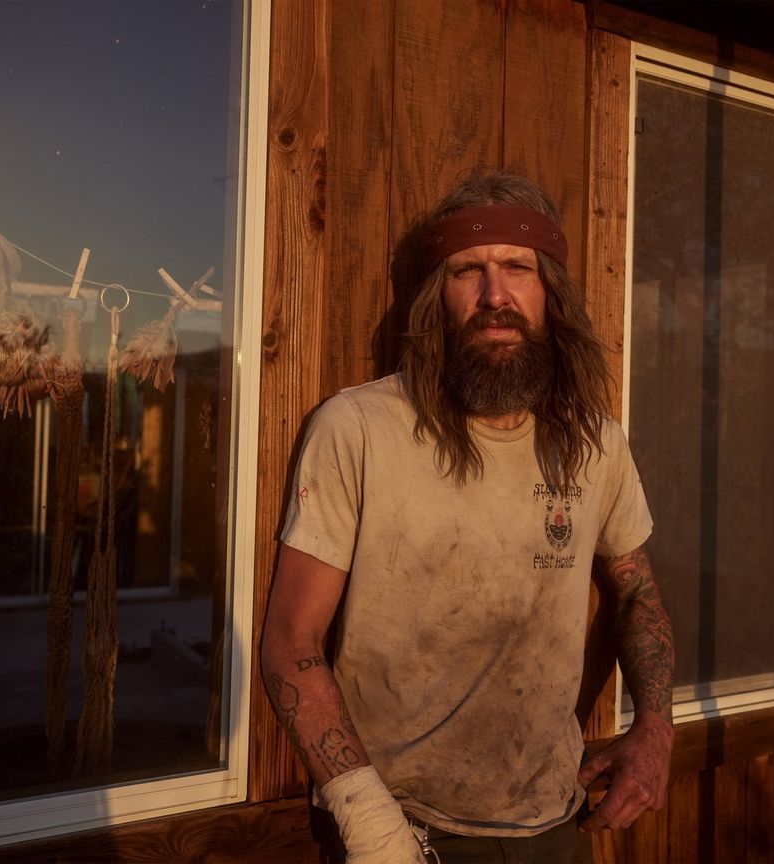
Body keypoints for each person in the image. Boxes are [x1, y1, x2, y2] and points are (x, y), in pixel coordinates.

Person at [261, 169, 674, 863]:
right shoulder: (359, 428)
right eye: (466, 272)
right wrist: (369, 824)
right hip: (402, 831)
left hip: (553, 824)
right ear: (436, 298)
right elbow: (290, 641)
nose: (494, 296)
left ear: (552, 293)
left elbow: (635, 587)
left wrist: (655, 730)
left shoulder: (595, 442)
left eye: (518, 268)